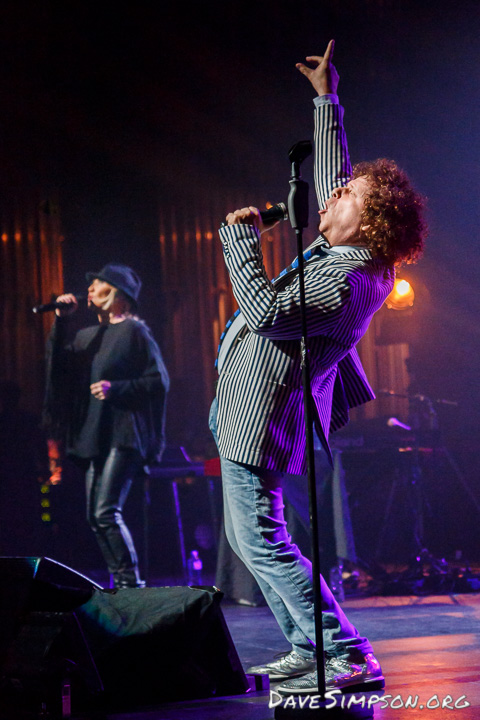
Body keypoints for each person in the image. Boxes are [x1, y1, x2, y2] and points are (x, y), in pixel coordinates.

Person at [209, 40, 427, 694]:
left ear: (374, 222)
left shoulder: (351, 277)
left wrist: (239, 242)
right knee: (253, 541)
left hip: (263, 415)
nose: (332, 192)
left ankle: (344, 651)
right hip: (250, 409)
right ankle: (311, 646)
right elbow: (340, 174)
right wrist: (325, 99)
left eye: (348, 195)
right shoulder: (353, 250)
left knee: (265, 544)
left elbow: (270, 311)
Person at [44, 263, 169, 589]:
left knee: (105, 511)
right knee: (94, 516)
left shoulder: (134, 332)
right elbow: (57, 368)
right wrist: (60, 321)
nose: (89, 290)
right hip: (94, 433)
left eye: (97, 285)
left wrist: (118, 388)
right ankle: (124, 582)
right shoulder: (87, 336)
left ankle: (131, 585)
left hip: (124, 433)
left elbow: (158, 381)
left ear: (117, 295)